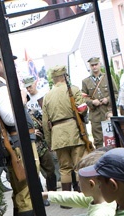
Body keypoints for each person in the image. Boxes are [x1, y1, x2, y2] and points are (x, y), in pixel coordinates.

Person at [0, 50, 42, 216]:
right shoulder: (1, 89)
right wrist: (22, 100)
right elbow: (11, 118)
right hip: (19, 143)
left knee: (22, 191)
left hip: (17, 143)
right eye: (6, 61)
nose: (12, 64)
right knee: (27, 191)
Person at [42, 65, 89, 202]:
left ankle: (66, 201)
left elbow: (45, 123)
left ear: (53, 78)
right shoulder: (73, 90)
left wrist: (49, 141)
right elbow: (82, 109)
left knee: (64, 168)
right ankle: (82, 197)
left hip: (57, 134)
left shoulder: (47, 96)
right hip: (74, 131)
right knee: (79, 165)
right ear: (65, 76)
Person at [23, 75, 57, 205]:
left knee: (50, 169)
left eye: (30, 86)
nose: (29, 89)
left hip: (42, 142)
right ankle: (42, 197)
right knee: (35, 173)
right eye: (27, 87)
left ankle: (53, 194)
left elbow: (47, 122)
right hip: (32, 144)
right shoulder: (22, 108)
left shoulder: (39, 103)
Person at [82, 57, 117, 148]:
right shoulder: (86, 82)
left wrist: (108, 99)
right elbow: (83, 98)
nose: (94, 67)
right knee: (98, 142)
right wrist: (92, 102)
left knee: (112, 139)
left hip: (107, 113)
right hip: (95, 115)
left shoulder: (108, 77)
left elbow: (116, 94)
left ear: (100, 64)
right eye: (92, 65)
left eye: (96, 64)